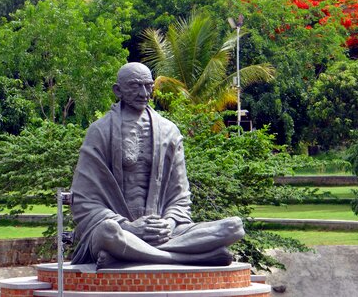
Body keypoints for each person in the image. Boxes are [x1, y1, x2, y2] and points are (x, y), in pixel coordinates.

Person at [70, 62, 244, 268]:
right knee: (108, 232)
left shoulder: (169, 131)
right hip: (120, 231)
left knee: (234, 227)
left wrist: (167, 225)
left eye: (148, 86)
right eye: (136, 86)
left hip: (165, 232)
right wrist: (130, 227)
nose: (144, 93)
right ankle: (184, 257)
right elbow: (83, 200)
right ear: (118, 90)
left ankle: (132, 254)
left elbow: (180, 197)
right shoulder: (100, 131)